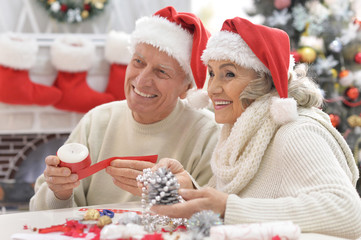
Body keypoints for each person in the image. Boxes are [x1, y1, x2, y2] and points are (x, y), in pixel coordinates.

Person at [151, 17, 361, 239]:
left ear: (265, 80)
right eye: (212, 73)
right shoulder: (240, 132)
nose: (212, 89)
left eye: (229, 74)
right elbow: (237, 206)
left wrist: (229, 209)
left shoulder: (296, 131)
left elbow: (348, 212)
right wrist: (190, 192)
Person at [29, 6, 219, 211]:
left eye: (161, 72)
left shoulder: (208, 134)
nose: (142, 79)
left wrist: (174, 193)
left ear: (187, 88)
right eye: (138, 61)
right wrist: (60, 192)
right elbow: (38, 212)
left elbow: (215, 217)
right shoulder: (97, 120)